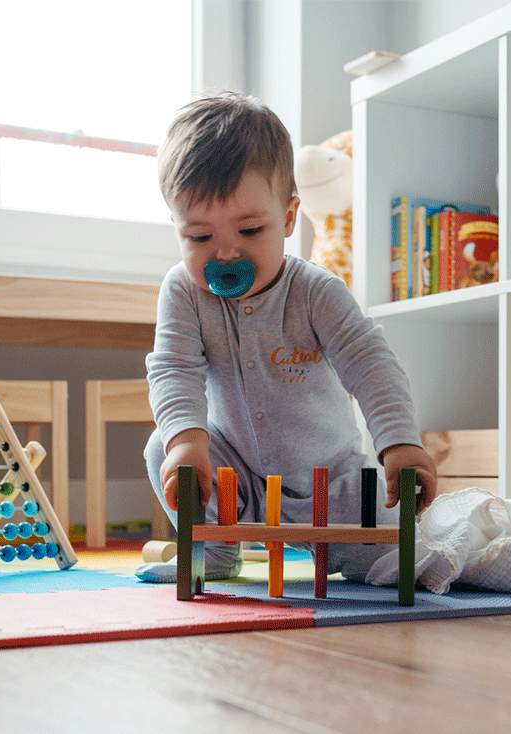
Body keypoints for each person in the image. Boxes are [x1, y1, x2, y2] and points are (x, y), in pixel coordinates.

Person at [137, 91, 437, 584]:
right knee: (161, 449)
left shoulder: (316, 290)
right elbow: (174, 368)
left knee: (397, 560)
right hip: (236, 483)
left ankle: (384, 552)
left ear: (290, 218)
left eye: (251, 230)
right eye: (199, 238)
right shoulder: (184, 291)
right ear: (177, 229)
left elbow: (371, 365)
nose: (226, 254)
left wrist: (399, 443)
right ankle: (212, 552)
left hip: (329, 485)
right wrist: (186, 443)